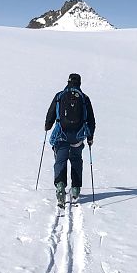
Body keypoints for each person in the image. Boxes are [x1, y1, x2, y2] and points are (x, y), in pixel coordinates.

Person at [44, 73, 95, 206]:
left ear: (68, 81)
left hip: (61, 134)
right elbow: (91, 120)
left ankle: (60, 186)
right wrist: (90, 137)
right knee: (76, 160)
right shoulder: (84, 98)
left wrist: (47, 126)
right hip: (78, 135)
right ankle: (75, 189)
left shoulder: (60, 95)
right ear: (79, 83)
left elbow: (51, 113)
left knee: (60, 160)